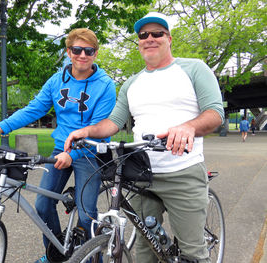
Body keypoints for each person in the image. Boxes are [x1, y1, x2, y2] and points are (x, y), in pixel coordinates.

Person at [64, 12, 224, 263]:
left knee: (193, 253)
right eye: (143, 35)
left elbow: (215, 113)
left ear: (169, 38)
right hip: (141, 175)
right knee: (145, 250)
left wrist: (188, 127)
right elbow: (113, 122)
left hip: (182, 171)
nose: (149, 38)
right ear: (139, 41)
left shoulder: (194, 68)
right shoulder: (132, 83)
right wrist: (85, 131)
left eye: (156, 33)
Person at [0, 28, 116, 263]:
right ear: (68, 52)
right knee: (42, 205)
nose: (82, 55)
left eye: (88, 50)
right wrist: (0, 127)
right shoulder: (57, 80)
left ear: (95, 53)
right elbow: (35, 109)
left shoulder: (106, 85)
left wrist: (75, 153)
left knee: (86, 214)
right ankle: (57, 252)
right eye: (77, 49)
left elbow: (99, 129)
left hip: (89, 153)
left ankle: (93, 259)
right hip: (61, 149)